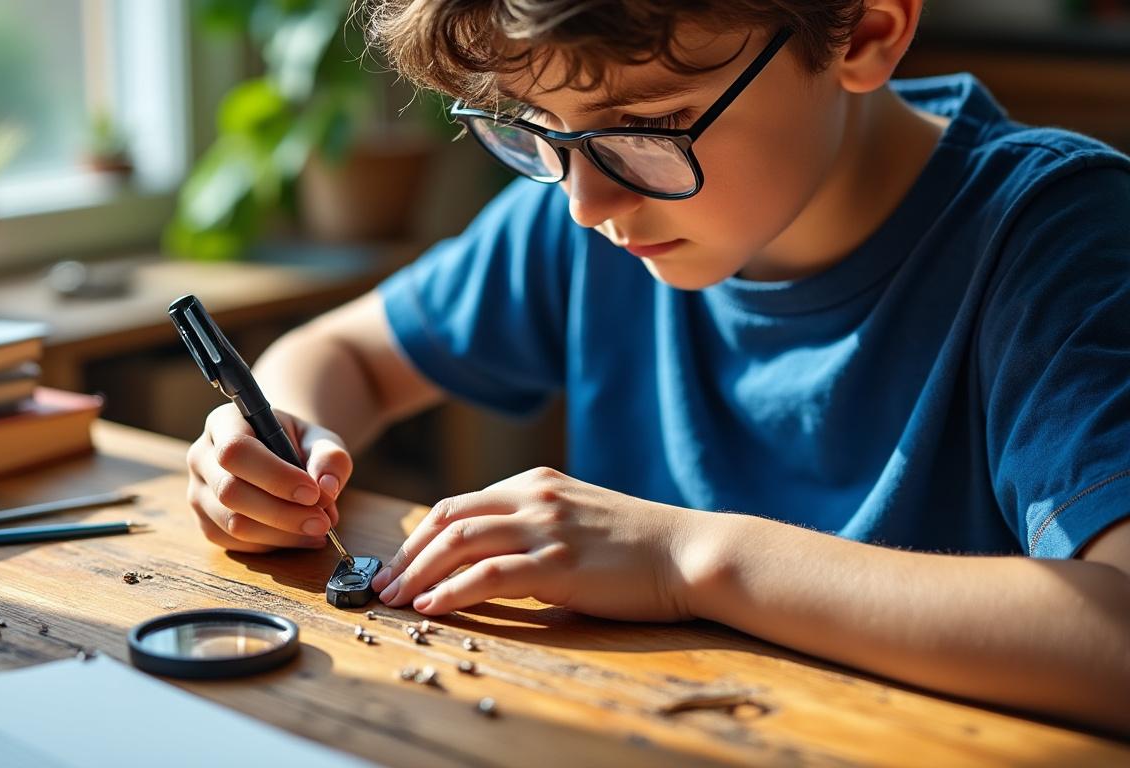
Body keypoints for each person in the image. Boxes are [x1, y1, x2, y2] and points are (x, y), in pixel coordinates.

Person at [184, 0, 1130, 733]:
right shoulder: (597, 203)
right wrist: (281, 438)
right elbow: (343, 351)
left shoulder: (1054, 240)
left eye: (647, 125)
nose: (584, 203)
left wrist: (689, 558)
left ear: (865, 31)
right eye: (534, 126)